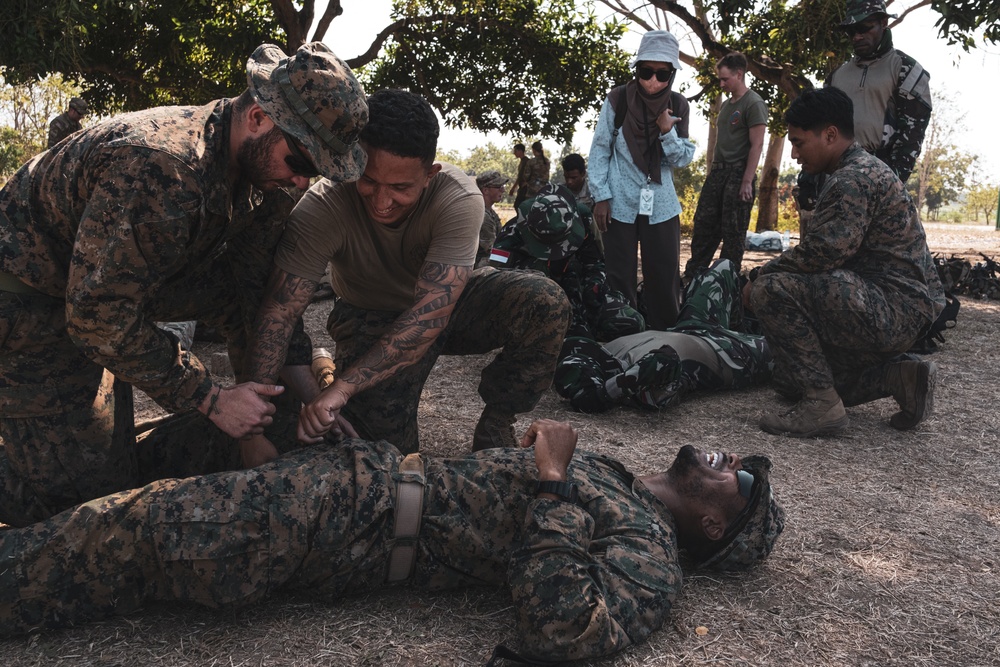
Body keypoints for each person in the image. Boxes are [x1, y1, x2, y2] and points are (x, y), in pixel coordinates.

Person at [0, 419, 785, 665]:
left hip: (352, 526)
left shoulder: (651, 553)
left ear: (714, 526)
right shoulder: (616, 476)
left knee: (128, 532)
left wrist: (549, 481)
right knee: (122, 463)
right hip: (361, 476)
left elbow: (562, 626)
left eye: (739, 481)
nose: (731, 460)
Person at [0, 42, 368, 527]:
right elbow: (96, 318)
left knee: (258, 427)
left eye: (317, 173)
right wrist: (212, 399)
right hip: (29, 302)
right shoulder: (161, 168)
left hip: (116, 293)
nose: (303, 184)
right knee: (81, 515)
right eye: (301, 163)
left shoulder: (266, 178)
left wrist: (305, 396)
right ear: (258, 117)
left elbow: (258, 298)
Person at [244, 89, 570, 460]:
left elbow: (429, 315)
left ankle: (498, 417)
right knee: (377, 453)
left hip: (447, 304)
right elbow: (279, 312)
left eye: (400, 188)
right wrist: (253, 425)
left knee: (543, 300)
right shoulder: (324, 204)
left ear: (429, 174)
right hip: (370, 312)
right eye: (368, 181)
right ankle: (334, 376)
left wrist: (344, 388)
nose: (382, 202)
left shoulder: (459, 197)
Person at [746, 87, 944, 438]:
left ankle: (822, 407)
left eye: (799, 142)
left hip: (891, 309)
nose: (793, 154)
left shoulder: (853, 179)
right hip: (902, 307)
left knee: (770, 290)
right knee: (791, 380)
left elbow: (823, 252)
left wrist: (760, 275)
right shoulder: (864, 168)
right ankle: (899, 377)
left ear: (830, 135)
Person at [555, 259, 772, 413]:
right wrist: (611, 391)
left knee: (724, 267)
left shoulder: (608, 352)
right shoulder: (645, 390)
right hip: (725, 354)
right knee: (784, 347)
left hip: (691, 327)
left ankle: (748, 327)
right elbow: (665, 362)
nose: (583, 354)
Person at [589, 30, 696, 331]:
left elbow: (682, 159)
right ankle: (623, 336)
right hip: (618, 201)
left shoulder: (679, 105)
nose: (652, 81)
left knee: (664, 277)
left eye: (662, 74)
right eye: (645, 71)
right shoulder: (618, 99)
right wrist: (600, 196)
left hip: (660, 205)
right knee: (619, 276)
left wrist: (667, 131)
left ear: (672, 75)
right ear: (636, 69)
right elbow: (599, 149)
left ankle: (665, 341)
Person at [489, 183, 644, 343]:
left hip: (577, 294)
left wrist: (593, 289)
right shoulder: (509, 236)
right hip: (535, 303)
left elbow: (595, 263)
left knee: (632, 322)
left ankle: (577, 330)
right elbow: (496, 283)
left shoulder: (584, 220)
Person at [828, 0, 931, 184]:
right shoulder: (836, 76)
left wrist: (891, 183)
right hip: (835, 175)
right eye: (851, 31)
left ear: (883, 23)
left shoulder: (906, 69)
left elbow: (911, 137)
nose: (857, 37)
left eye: (864, 28)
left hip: (880, 175)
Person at [684, 53, 767, 280]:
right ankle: (692, 280)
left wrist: (747, 180)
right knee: (703, 226)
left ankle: (724, 285)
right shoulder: (727, 105)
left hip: (739, 173)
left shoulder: (753, 103)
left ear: (739, 74)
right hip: (718, 172)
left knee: (733, 233)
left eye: (725, 79)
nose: (721, 83)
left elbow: (757, 144)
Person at [475, 170, 509, 268]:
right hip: (478, 265)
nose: (503, 190)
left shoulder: (490, 212)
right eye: (499, 187)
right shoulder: (483, 215)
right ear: (485, 190)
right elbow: (494, 250)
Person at [509, 143, 530, 210]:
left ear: (520, 151)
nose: (514, 153)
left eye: (515, 151)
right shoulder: (523, 161)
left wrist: (513, 188)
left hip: (525, 188)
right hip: (523, 187)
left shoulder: (525, 162)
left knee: (518, 206)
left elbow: (520, 177)